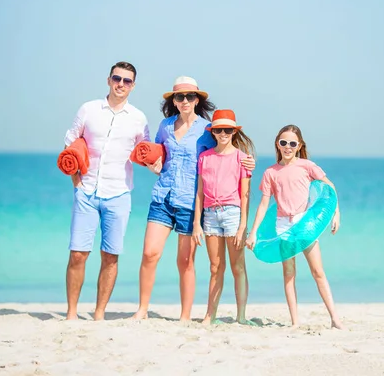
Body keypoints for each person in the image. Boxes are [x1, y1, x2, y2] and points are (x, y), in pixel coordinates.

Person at [131, 77, 255, 321]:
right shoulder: (165, 126)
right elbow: (157, 155)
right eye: (180, 97)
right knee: (149, 254)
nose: (185, 100)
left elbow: (225, 150)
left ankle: (185, 316)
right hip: (163, 196)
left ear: (197, 100)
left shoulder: (206, 130)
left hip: (190, 202)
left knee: (185, 260)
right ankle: (142, 310)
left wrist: (248, 161)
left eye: (190, 96)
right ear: (174, 101)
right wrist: (152, 165)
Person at [63, 62, 150, 321]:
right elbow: (70, 142)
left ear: (133, 86)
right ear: (109, 79)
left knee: (110, 256)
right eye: (117, 78)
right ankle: (71, 314)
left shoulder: (138, 118)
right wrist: (76, 181)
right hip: (87, 192)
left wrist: (156, 163)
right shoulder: (88, 109)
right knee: (78, 253)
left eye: (127, 81)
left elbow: (144, 152)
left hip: (119, 193)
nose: (121, 84)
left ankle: (99, 314)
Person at [246, 124, 344, 329]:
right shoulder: (271, 172)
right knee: (289, 273)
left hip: (305, 224)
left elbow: (329, 188)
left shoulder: (307, 166)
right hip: (283, 226)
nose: (288, 147)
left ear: (299, 145)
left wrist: (336, 214)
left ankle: (335, 318)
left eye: (292, 143)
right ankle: (295, 322)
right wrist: (253, 232)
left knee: (318, 272)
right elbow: (264, 204)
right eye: (284, 142)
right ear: (277, 144)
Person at [192, 109, 256, 325]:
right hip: (210, 216)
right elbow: (199, 193)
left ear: (234, 132)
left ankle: (241, 316)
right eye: (219, 130)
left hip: (232, 214)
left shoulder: (242, 159)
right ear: (213, 132)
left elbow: (245, 195)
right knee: (215, 268)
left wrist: (242, 227)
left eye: (228, 130)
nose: (223, 133)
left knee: (238, 267)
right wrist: (196, 224)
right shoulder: (204, 157)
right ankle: (210, 316)